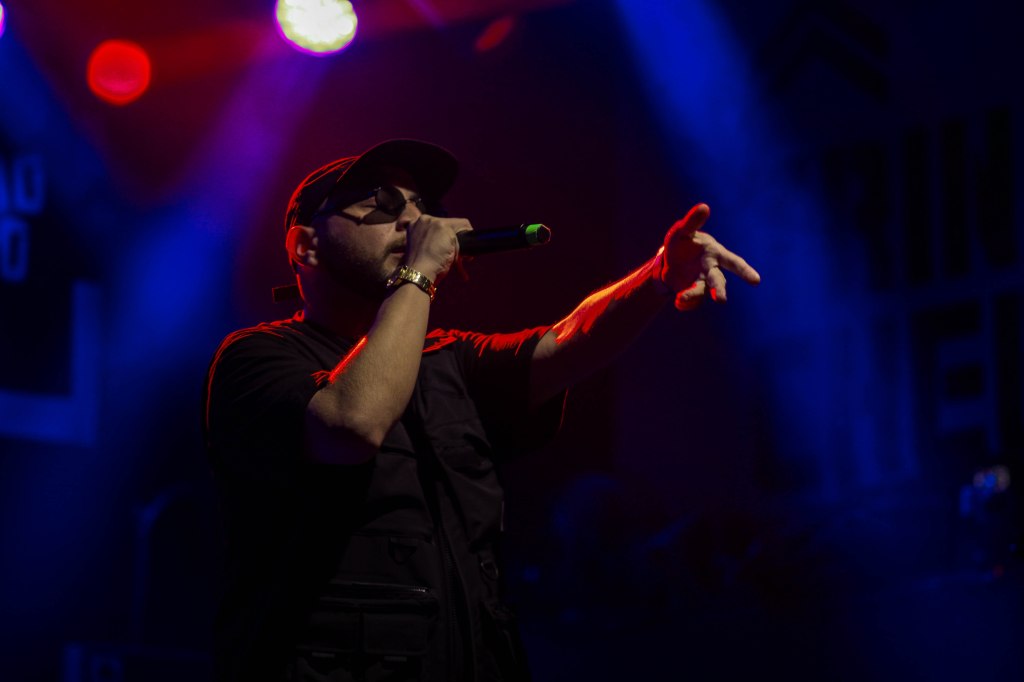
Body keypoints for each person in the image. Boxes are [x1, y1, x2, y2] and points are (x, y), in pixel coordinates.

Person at [203, 139, 760, 681]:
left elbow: (567, 343)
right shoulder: (257, 358)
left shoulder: (450, 358)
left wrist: (658, 274)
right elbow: (353, 423)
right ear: (305, 247)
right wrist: (418, 273)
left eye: (421, 206)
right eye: (384, 204)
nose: (414, 221)